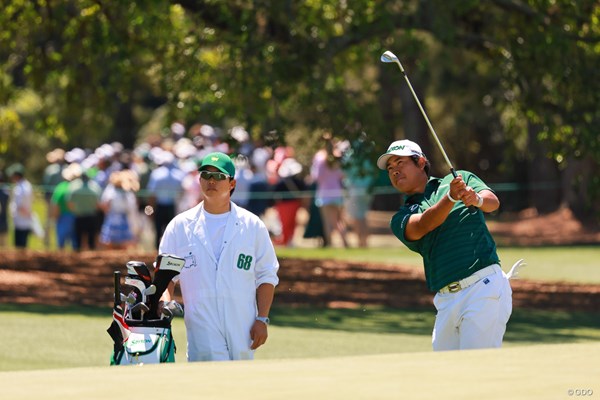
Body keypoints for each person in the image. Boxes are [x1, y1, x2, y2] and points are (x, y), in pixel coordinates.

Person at [377, 139, 513, 351]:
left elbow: (492, 202)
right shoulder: (401, 217)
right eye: (390, 168)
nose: (394, 171)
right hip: (446, 300)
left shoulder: (460, 178)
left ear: (421, 163)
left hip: (483, 287)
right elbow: (424, 224)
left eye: (399, 163)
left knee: (476, 368)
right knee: (446, 374)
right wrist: (451, 197)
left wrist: (475, 198)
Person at [159, 151, 279, 362]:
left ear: (232, 183)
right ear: (199, 180)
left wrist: (262, 319)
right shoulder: (179, 226)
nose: (211, 181)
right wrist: (164, 302)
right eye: (206, 175)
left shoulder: (252, 226)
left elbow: (267, 275)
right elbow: (165, 275)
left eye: (219, 176)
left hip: (242, 326)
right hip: (201, 326)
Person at [67, 169, 102, 251]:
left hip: (79, 216)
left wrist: (75, 211)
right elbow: (98, 204)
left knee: (78, 241)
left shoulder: (74, 187)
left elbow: (69, 204)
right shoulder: (95, 188)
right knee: (91, 242)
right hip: (91, 217)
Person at [7, 163, 34, 248]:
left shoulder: (22, 188)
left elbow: (21, 205)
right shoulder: (24, 185)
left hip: (22, 219)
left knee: (20, 245)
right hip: (21, 219)